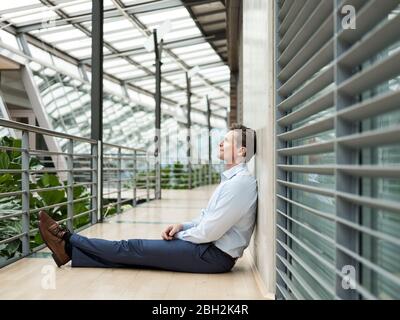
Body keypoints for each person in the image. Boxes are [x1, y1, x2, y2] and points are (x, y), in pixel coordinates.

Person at [39, 123, 257, 273]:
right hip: (208, 250)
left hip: (212, 255)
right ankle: (70, 253)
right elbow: (207, 219)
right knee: (138, 256)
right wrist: (182, 226)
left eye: (226, 141)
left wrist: (182, 236)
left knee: (134, 248)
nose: (220, 143)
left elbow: (209, 231)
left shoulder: (239, 184)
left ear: (241, 151)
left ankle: (67, 237)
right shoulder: (232, 180)